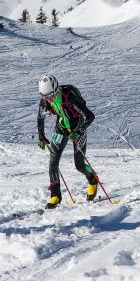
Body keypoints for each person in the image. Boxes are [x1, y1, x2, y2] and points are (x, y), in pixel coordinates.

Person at [36, 74, 98, 209]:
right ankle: (55, 196)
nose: (48, 99)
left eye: (50, 95)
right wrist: (41, 136)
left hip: (77, 128)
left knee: (79, 165)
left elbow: (90, 116)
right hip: (61, 128)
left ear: (56, 89)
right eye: (44, 96)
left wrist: (80, 131)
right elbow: (40, 118)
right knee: (53, 162)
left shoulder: (69, 97)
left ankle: (93, 179)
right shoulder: (45, 100)